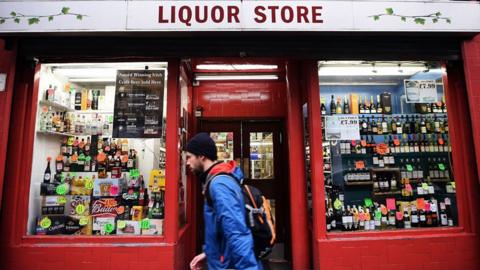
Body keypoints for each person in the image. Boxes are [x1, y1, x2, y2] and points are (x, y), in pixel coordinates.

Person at [187, 132, 262, 270]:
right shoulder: (217, 180)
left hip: (227, 265)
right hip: (223, 261)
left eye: (189, 157)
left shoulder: (219, 185)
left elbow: (237, 233)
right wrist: (209, 254)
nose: (187, 162)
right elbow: (222, 229)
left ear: (201, 156)